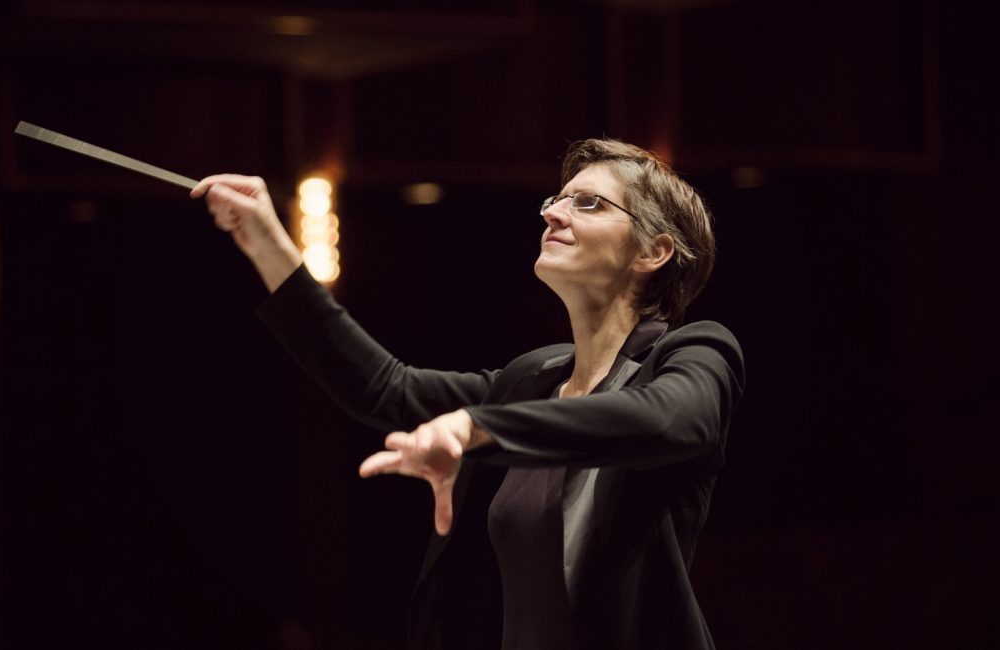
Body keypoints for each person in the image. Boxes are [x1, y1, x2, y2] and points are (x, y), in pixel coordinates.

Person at [190, 138, 744, 650]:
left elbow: (670, 420)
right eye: (557, 199)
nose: (551, 212)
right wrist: (267, 246)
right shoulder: (532, 380)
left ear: (654, 252)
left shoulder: (695, 351)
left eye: (589, 204)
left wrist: (477, 427)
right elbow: (387, 388)